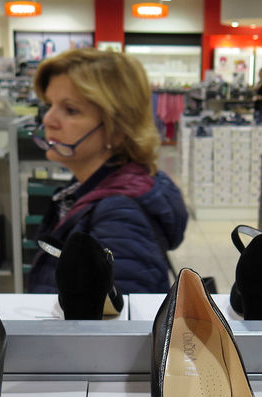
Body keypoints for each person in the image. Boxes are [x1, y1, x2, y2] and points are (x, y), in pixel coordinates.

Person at [28, 49, 188, 294]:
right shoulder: (89, 190)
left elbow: (121, 329)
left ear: (118, 127)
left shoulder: (118, 218)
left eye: (70, 110)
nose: (48, 119)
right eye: (50, 105)